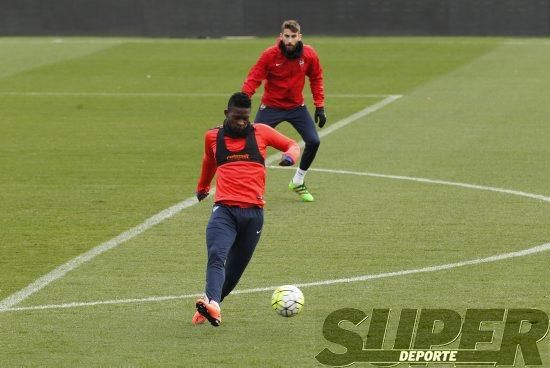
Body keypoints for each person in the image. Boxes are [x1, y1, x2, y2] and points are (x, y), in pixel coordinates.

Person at [192, 92, 300, 326]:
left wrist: (290, 157)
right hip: (224, 212)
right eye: (237, 117)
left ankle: (208, 307)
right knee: (217, 256)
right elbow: (208, 161)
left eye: (245, 118)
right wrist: (202, 187)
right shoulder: (213, 137)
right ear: (226, 114)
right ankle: (214, 305)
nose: (242, 122)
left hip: (253, 216)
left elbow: (292, 144)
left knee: (233, 273)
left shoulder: (261, 132)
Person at [242, 19, 327, 202]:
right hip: (271, 107)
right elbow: (254, 77)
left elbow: (316, 78)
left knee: (313, 141)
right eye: (286, 36)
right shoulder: (270, 55)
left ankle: (298, 181)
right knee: (253, 144)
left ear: (299, 37)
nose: (289, 40)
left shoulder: (309, 55)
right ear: (280, 37)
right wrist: (244, 98)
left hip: (297, 107)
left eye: (293, 37)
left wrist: (319, 106)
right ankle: (251, 189)